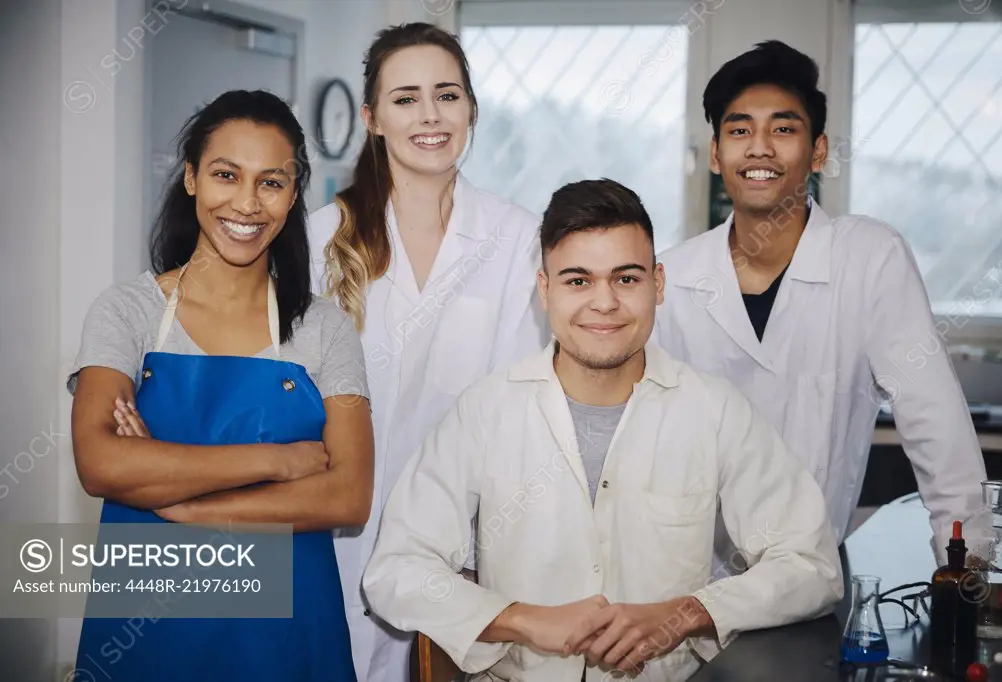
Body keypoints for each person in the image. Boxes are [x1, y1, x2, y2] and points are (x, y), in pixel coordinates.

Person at [361, 179, 844, 682]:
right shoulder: (485, 411)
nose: (604, 303)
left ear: (658, 284)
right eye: (577, 281)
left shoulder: (714, 410)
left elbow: (813, 566)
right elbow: (397, 570)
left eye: (626, 279)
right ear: (544, 290)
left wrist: (684, 614)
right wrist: (524, 621)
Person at [67, 90, 373, 682]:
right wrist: (280, 463)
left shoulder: (324, 330)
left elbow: (347, 496)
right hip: (146, 629)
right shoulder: (126, 313)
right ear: (190, 179)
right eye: (225, 175)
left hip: (286, 631)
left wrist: (180, 503)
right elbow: (100, 463)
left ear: (292, 195)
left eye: (271, 182)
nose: (246, 203)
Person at [653, 40, 988, 571]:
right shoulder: (671, 276)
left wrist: (969, 568)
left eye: (783, 129)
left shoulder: (869, 258)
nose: (760, 148)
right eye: (739, 130)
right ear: (716, 154)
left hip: (809, 580)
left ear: (819, 151)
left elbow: (934, 423)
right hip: (681, 580)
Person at [306, 23, 547, 681]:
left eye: (446, 95)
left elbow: (523, 405)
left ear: (471, 108)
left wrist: (483, 544)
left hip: (465, 540)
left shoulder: (516, 237)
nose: (430, 115)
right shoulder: (320, 239)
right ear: (372, 118)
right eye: (406, 98)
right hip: (335, 536)